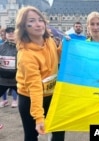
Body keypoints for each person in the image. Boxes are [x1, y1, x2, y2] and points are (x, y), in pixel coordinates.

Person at [14, 6, 65, 141]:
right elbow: (35, 87)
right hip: (30, 98)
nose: (38, 24)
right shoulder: (26, 55)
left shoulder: (49, 41)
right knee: (31, 136)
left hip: (52, 94)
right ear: (24, 27)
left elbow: (57, 57)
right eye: (32, 21)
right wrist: (38, 117)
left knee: (59, 130)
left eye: (40, 20)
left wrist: (65, 47)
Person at [0, 27, 18, 108]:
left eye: (12, 32)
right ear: (5, 35)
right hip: (2, 80)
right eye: (8, 32)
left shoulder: (21, 47)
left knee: (28, 101)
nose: (10, 34)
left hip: (17, 80)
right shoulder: (1, 47)